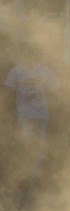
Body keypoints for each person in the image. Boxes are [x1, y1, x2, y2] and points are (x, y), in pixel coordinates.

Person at [4, 47, 59, 182]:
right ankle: (24, 171)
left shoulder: (45, 71)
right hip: (24, 113)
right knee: (25, 140)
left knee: (40, 145)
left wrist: (55, 110)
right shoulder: (17, 71)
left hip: (41, 114)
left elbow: (56, 90)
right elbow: (8, 90)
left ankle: (36, 173)